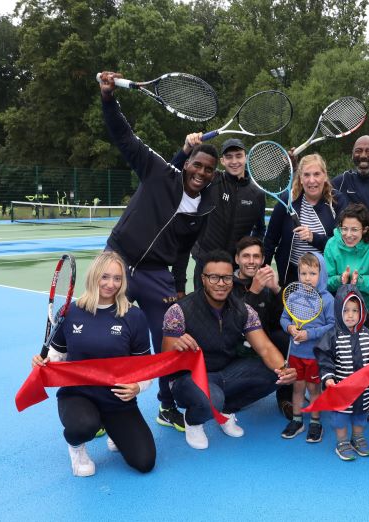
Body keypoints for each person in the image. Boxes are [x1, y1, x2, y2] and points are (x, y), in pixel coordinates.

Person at [97, 71, 216, 434]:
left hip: (156, 274)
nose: (201, 172)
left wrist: (177, 286)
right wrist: (108, 98)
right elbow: (125, 137)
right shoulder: (157, 170)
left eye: (208, 170)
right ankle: (98, 404)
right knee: (102, 333)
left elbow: (182, 251)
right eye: (196, 164)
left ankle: (167, 405)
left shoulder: (203, 208)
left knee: (169, 336)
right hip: (117, 259)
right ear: (187, 161)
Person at [31, 251, 155, 477]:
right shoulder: (70, 312)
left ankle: (113, 429)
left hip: (117, 399)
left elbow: (144, 366)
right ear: (94, 276)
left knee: (145, 462)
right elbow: (58, 355)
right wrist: (44, 361)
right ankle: (76, 447)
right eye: (105, 276)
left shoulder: (134, 316)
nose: (111, 284)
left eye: (117, 278)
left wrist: (138, 386)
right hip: (78, 394)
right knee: (83, 426)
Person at [161, 250, 298, 449]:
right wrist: (176, 344)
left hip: (226, 371)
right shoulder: (179, 310)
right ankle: (193, 420)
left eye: (226, 277)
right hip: (188, 377)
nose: (221, 283)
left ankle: (227, 411)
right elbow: (165, 357)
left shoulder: (243, 310)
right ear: (203, 278)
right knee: (212, 399)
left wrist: (285, 369)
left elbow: (266, 347)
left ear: (232, 279)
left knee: (274, 373)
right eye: (214, 277)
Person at [171, 137, 266, 293]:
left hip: (235, 268)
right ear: (222, 160)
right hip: (205, 263)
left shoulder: (257, 194)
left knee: (232, 314)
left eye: (238, 156)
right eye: (229, 157)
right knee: (202, 312)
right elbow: (174, 170)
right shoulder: (211, 180)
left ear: (246, 157)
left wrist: (249, 255)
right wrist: (186, 148)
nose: (234, 161)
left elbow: (260, 230)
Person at [323, 202, 369, 409]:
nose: (349, 234)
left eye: (354, 229)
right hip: (342, 307)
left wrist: (360, 281)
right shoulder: (331, 244)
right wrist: (340, 280)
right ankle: (342, 386)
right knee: (344, 351)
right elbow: (326, 280)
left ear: (365, 229)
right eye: (345, 229)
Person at [229, 236, 292, 419]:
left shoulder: (265, 285)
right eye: (246, 256)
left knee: (287, 339)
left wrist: (276, 290)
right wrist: (254, 293)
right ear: (237, 259)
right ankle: (231, 400)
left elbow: (281, 320)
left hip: (263, 347)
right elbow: (234, 325)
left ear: (263, 260)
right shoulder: (227, 285)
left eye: (256, 256)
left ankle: (285, 397)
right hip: (236, 350)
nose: (251, 261)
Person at [315, 284, 369, 461]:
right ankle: (342, 441)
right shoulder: (332, 336)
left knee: (361, 415)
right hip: (341, 389)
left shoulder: (368, 335)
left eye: (355, 310)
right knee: (340, 417)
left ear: (362, 312)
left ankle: (358, 437)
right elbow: (324, 358)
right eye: (345, 310)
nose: (350, 315)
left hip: (363, 390)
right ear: (338, 312)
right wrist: (328, 377)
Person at [264, 153, 345, 287]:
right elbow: (270, 241)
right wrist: (262, 270)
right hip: (292, 276)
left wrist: (313, 237)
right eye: (307, 175)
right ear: (300, 178)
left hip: (325, 276)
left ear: (324, 176)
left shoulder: (338, 201)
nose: (311, 180)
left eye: (317, 174)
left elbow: (341, 244)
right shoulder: (287, 200)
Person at [279, 252, 335, 442]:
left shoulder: (327, 299)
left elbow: (332, 325)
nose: (307, 278)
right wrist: (290, 327)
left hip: (315, 356)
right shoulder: (294, 296)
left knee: (314, 389)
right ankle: (297, 420)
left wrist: (309, 334)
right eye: (303, 273)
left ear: (322, 274)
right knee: (297, 388)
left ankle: (315, 422)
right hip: (295, 354)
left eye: (312, 273)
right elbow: (284, 318)